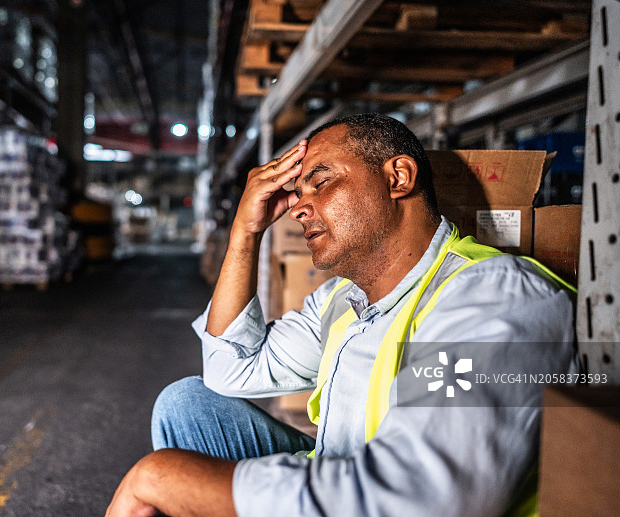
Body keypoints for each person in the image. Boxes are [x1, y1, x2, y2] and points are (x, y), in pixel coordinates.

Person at [106, 114, 577, 517]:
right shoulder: (344, 300)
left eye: (322, 181)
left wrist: (160, 476)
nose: (298, 208)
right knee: (187, 405)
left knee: (170, 471)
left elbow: (419, 499)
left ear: (398, 178)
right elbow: (230, 370)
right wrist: (245, 233)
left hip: (389, 501)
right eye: (297, 192)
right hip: (342, 475)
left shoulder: (492, 298)